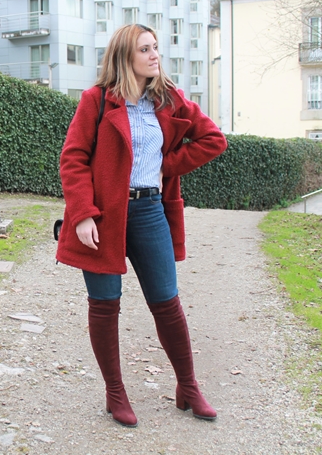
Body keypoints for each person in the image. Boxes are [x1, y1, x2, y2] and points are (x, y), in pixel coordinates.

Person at [56, 24, 227, 428]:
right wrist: (82, 213)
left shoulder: (168, 99)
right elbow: (73, 158)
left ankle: (189, 387)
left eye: (155, 48)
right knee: (105, 304)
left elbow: (213, 139)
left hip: (150, 211)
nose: (154, 56)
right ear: (124, 57)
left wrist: (165, 166)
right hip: (104, 216)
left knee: (167, 303)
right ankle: (115, 392)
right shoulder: (96, 100)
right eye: (145, 49)